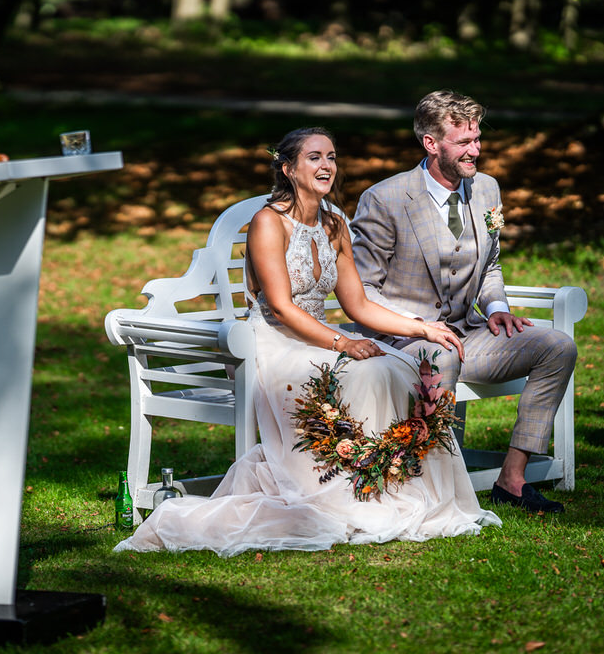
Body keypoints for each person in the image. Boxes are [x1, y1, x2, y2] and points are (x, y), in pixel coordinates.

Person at [115, 127, 500, 556]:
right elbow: (280, 307)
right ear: (288, 168)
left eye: (331, 157)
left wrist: (420, 327)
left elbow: (357, 304)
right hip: (275, 343)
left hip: (320, 336)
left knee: (400, 367)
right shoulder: (267, 222)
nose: (326, 166)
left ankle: (381, 486)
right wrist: (343, 345)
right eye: (314, 157)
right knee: (365, 371)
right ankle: (342, 494)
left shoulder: (335, 223)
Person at [350, 90, 578, 514]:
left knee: (557, 346)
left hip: (464, 334)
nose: (475, 151)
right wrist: (418, 326)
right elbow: (363, 289)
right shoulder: (385, 199)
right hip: (400, 339)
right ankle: (436, 487)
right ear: (431, 144)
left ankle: (511, 480)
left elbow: (489, 264)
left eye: (477, 139)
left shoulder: (487, 189)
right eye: (464, 142)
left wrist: (496, 308)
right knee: (441, 357)